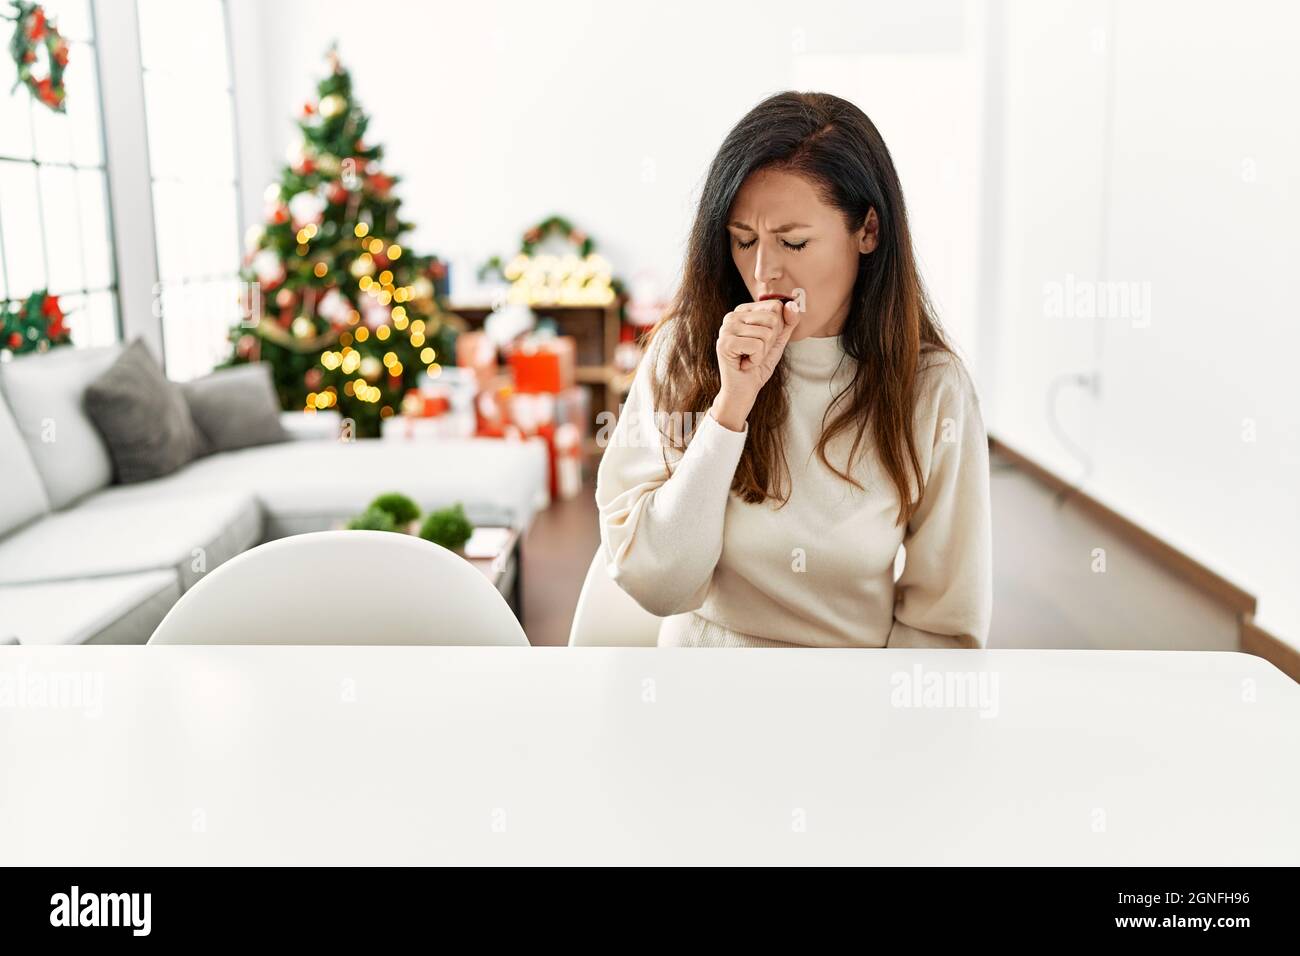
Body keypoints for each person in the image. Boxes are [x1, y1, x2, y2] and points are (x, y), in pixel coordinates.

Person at [595, 91, 992, 648]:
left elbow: (945, 624)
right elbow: (660, 586)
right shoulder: (684, 351)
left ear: (868, 232)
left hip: (853, 701)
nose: (763, 272)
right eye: (743, 240)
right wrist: (731, 407)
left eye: (794, 242)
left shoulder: (931, 388)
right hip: (700, 692)